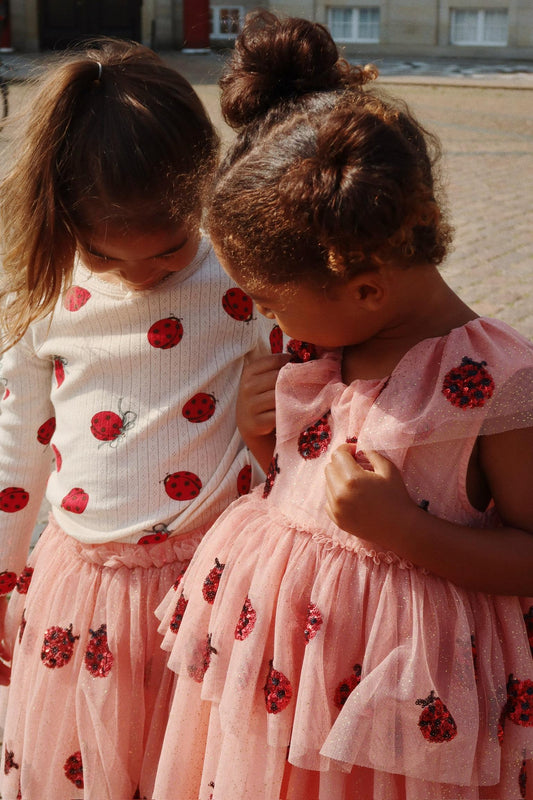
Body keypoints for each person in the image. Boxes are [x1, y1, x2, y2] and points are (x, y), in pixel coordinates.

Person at [153, 11, 533, 800]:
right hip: (285, 688)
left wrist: (408, 533)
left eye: (268, 298)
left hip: (400, 720)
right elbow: (307, 493)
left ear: (364, 288)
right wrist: (264, 443)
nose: (264, 315)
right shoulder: (317, 348)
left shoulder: (497, 387)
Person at [0, 38, 281, 800]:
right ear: (63, 218)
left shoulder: (246, 279)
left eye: (168, 248)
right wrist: (3, 579)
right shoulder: (45, 295)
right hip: (79, 593)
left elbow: (304, 413)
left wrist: (274, 430)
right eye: (110, 255)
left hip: (212, 589)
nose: (146, 272)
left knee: (188, 772)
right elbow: (16, 454)